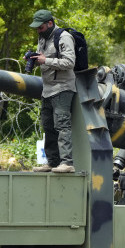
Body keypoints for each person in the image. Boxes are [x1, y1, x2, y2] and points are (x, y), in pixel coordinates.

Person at [29, 9, 78, 174]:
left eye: (40, 27)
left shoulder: (64, 37)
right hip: (47, 89)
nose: (38, 31)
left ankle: (67, 162)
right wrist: (34, 59)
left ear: (50, 23)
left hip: (62, 87)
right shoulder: (42, 38)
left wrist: (46, 60)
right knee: (48, 126)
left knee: (62, 124)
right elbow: (43, 59)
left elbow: (70, 62)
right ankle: (52, 162)